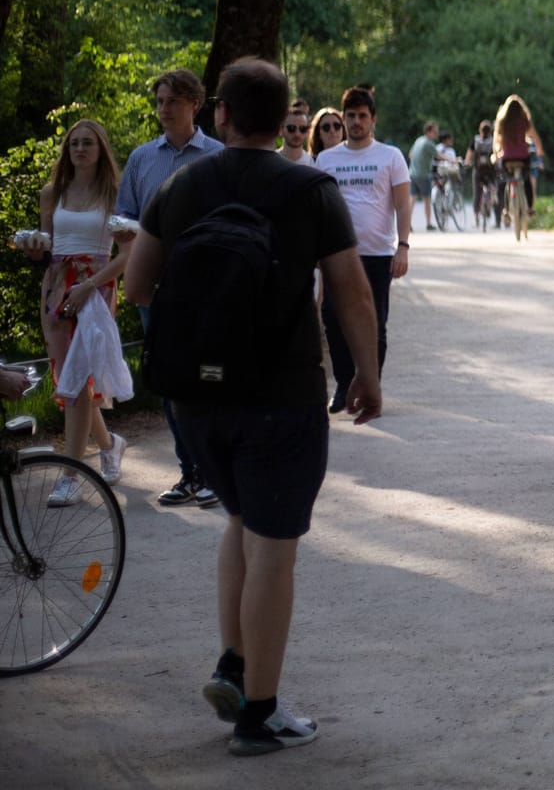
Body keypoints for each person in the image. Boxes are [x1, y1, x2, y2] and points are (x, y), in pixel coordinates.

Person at [124, 57, 383, 757]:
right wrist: (368, 374)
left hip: (196, 399)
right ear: (284, 122)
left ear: (222, 118)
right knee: (275, 543)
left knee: (239, 520)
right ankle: (259, 715)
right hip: (282, 395)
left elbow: (139, 286)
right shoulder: (311, 188)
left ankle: (235, 664)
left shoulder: (181, 184)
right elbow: (353, 292)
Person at [117, 67, 225, 509]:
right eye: (159, 101)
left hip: (209, 288)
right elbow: (124, 218)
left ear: (194, 105)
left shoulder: (218, 156)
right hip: (158, 290)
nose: (163, 110)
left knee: (210, 377)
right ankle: (189, 472)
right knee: (169, 382)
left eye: (172, 102)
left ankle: (213, 470)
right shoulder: (143, 158)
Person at [29, 120, 133, 501]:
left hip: (96, 285)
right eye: (74, 143)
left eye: (88, 143)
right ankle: (109, 445)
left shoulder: (116, 194)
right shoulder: (50, 193)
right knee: (67, 378)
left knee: (79, 379)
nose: (80, 149)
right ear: (66, 150)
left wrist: (91, 286)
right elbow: (45, 246)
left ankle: (71, 475)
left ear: (100, 149)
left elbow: (128, 255)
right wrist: (34, 250)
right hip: (57, 286)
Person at [315, 87, 411, 412]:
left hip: (378, 254)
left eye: (362, 116)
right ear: (344, 118)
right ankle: (344, 384)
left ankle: (370, 385)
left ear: (373, 119)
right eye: (351, 116)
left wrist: (404, 247)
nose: (356, 122)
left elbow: (402, 204)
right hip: (336, 255)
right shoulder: (326, 160)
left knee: (375, 324)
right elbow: (318, 208)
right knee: (333, 319)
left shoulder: (390, 156)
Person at [494, 94, 540, 215]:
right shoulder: (524, 120)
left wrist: (496, 154)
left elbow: (497, 140)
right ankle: (530, 208)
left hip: (507, 158)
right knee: (526, 180)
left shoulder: (502, 121)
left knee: (507, 180)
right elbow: (534, 137)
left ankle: (506, 209)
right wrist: (540, 150)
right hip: (523, 158)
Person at [408, 121, 440, 231]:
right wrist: (454, 160)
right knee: (427, 199)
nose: (437, 134)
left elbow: (411, 154)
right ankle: (428, 223)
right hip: (423, 175)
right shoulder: (428, 143)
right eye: (435, 131)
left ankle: (407, 223)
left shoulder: (419, 140)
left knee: (412, 199)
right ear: (429, 132)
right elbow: (438, 156)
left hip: (412, 173)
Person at [468, 119, 498, 225]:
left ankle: (476, 216)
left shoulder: (475, 140)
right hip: (491, 170)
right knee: (494, 185)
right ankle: (492, 195)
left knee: (477, 193)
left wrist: (467, 162)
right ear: (491, 131)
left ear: (480, 130)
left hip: (478, 170)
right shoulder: (494, 140)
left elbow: (470, 154)